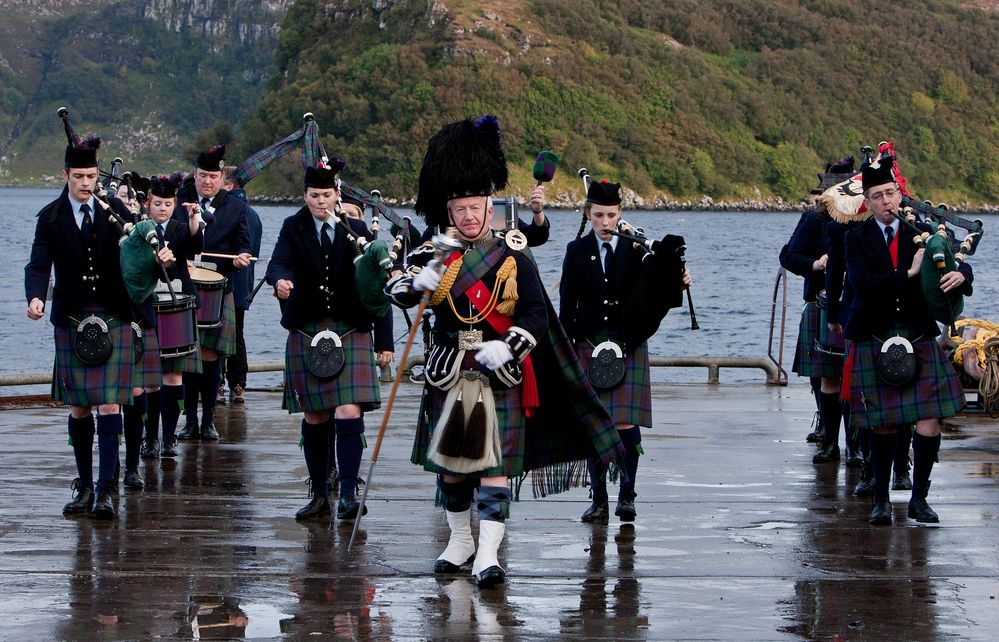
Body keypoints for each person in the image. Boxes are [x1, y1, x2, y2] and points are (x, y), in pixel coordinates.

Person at [386, 115, 623, 587]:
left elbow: (537, 313)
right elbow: (393, 288)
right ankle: (459, 542)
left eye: (476, 208)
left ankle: (489, 554)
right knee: (453, 469)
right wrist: (416, 283)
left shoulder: (514, 257)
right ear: (449, 212)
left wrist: (510, 344)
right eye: (461, 210)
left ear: (490, 205)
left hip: (501, 373)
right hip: (449, 369)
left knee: (494, 468)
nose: (470, 217)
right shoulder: (432, 253)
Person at [24, 136, 174, 518]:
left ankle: (106, 489)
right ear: (66, 176)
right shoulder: (51, 218)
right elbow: (39, 264)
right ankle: (84, 487)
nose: (87, 183)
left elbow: (140, 252)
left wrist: (161, 260)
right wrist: (36, 296)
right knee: (78, 407)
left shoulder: (116, 213)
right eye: (79, 176)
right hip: (71, 318)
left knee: (109, 404)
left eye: (91, 175)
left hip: (113, 313)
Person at [843, 157, 972, 525]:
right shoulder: (856, 237)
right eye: (878, 196)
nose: (886, 202)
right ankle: (881, 499)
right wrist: (907, 274)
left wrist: (961, 276)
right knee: (882, 422)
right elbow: (862, 284)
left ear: (900, 194)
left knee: (929, 418)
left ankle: (919, 498)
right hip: (874, 333)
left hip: (917, 333)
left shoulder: (924, 230)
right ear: (867, 202)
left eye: (891, 193)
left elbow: (956, 258)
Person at [266, 163, 394, 522]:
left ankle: (349, 493)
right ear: (305, 196)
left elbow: (376, 286)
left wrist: (384, 340)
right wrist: (280, 282)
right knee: (315, 414)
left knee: (348, 410)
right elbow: (277, 265)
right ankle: (320, 493)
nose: (320, 201)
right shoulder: (294, 227)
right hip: (307, 330)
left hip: (350, 328)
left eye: (326, 195)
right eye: (313, 195)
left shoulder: (355, 231)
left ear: (337, 196)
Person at [559, 179, 691, 523]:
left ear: (620, 215)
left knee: (626, 424)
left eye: (611, 215)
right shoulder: (576, 251)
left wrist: (678, 277)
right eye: (599, 215)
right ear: (588, 215)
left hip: (627, 342)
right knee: (594, 424)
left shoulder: (635, 248)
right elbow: (566, 304)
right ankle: (599, 498)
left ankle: (627, 495)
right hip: (589, 343)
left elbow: (657, 283)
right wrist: (566, 349)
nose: (605, 223)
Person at [174, 145, 252, 441]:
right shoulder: (180, 200)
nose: (207, 181)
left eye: (213, 176)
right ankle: (189, 420)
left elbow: (243, 243)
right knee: (186, 355)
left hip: (220, 287)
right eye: (202, 175)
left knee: (211, 357)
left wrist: (243, 255)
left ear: (223, 178)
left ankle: (208, 420)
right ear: (194, 175)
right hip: (185, 287)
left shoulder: (236, 207)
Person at [139, 173, 205, 459]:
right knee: (151, 378)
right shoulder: (139, 230)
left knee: (174, 376)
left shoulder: (179, 228)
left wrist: (194, 222)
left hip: (177, 305)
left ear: (174, 203)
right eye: (157, 203)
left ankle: (168, 438)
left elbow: (195, 246)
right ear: (147, 204)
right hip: (148, 306)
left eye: (167, 203)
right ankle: (150, 439)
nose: (163, 208)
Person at [219, 167, 263, 404]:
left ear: (229, 186)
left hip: (225, 281)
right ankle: (238, 385)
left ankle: (218, 384)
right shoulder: (254, 214)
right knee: (237, 334)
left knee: (217, 333)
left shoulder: (228, 211)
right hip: (245, 283)